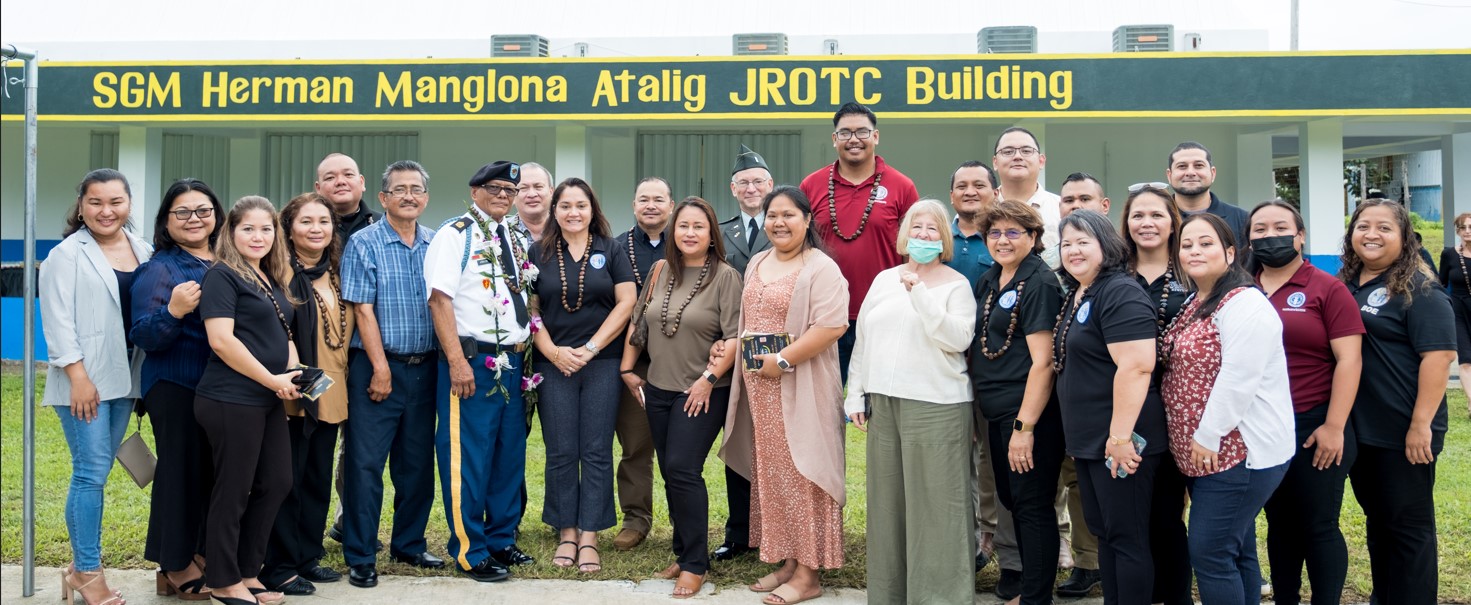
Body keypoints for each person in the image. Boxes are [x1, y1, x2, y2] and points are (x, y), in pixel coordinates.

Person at [845, 199, 977, 604]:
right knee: (888, 505)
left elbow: (957, 340)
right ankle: (889, 594)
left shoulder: (956, 285)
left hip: (937, 405)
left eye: (932, 230)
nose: (923, 235)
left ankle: (940, 596)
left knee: (937, 506)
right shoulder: (884, 280)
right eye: (916, 228)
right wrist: (856, 392)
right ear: (905, 234)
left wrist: (920, 294)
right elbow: (863, 340)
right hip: (884, 402)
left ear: (944, 239)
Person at [722, 186, 849, 605]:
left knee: (806, 472)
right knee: (775, 476)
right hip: (762, 390)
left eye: (789, 215)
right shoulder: (758, 260)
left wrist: (784, 360)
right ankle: (791, 561)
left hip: (802, 385)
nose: (779, 222)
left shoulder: (822, 267)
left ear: (808, 220)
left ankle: (810, 573)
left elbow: (831, 326)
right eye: (772, 215)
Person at [1161, 213, 1295, 604]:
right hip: (1204, 456)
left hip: (1236, 452)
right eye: (1187, 244)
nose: (1194, 251)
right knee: (1236, 550)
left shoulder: (1245, 304)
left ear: (1230, 252)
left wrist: (1206, 434)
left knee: (1211, 552)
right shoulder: (1197, 300)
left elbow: (1239, 378)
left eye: (1206, 243)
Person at [622, 197, 744, 598]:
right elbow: (638, 325)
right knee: (670, 471)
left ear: (712, 236)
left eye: (698, 227)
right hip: (658, 388)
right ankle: (683, 549)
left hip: (703, 391)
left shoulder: (725, 277)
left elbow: (734, 338)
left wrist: (708, 379)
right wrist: (627, 369)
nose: (689, 233)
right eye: (683, 226)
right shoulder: (660, 270)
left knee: (682, 468)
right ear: (673, 233)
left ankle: (695, 564)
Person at [41, 169, 151, 605]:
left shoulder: (143, 249)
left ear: (128, 204)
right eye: (96, 202)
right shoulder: (65, 255)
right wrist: (78, 378)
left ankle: (76, 569)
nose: (106, 211)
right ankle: (88, 571)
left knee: (96, 472)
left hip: (125, 377)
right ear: (81, 205)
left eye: (115, 202)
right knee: (90, 473)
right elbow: (56, 321)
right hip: (83, 381)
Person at [1247, 200, 1365, 605]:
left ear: (1301, 235)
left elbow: (1349, 360)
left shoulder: (1326, 288)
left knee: (1318, 524)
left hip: (1315, 423)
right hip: (1261, 426)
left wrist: (1334, 426)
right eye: (1259, 229)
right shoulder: (1242, 286)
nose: (1269, 235)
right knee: (1278, 523)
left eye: (1280, 227)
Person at [1338, 199, 1456, 603]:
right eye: (1363, 226)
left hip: (1404, 431)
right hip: (1364, 431)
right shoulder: (1351, 285)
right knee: (1379, 523)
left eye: (1384, 228)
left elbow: (1439, 357)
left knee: (1409, 530)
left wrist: (1420, 424)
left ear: (1404, 237)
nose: (1371, 234)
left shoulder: (1420, 289)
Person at [425, 160, 535, 582]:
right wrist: (456, 362)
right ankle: (470, 550)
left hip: (510, 361)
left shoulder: (511, 234)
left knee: (509, 455)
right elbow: (439, 301)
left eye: (511, 190)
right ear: (474, 191)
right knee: (467, 458)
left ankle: (501, 539)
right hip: (471, 362)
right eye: (495, 189)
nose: (503, 196)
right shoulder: (456, 235)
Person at [1052, 209, 1167, 605]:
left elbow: (1137, 366)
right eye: (1066, 243)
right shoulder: (1081, 292)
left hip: (1122, 439)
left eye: (1084, 241)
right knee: (1106, 534)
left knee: (1127, 537)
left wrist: (1119, 439)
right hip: (1090, 440)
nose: (1073, 250)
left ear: (1107, 244)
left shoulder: (1120, 290)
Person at [338, 160, 443, 589]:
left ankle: (409, 543)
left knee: (416, 463)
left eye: (416, 189)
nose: (408, 196)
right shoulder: (363, 243)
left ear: (426, 197)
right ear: (382, 198)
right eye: (399, 190)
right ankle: (361, 554)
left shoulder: (437, 243)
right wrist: (380, 367)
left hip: (425, 368)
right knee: (365, 463)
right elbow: (362, 308)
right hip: (377, 369)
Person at [195, 196, 300, 605]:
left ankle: (246, 571)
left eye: (266, 229)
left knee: (277, 481)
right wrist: (272, 379)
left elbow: (283, 333)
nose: (259, 236)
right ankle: (222, 579)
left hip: (267, 396)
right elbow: (222, 340)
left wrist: (293, 370)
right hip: (230, 398)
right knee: (234, 488)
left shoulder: (269, 276)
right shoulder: (222, 275)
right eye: (248, 229)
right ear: (230, 232)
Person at [529, 177, 637, 574]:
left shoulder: (612, 250)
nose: (573, 212)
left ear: (593, 209)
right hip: (552, 363)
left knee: (595, 450)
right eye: (565, 206)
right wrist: (554, 352)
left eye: (581, 205)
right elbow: (530, 308)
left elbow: (627, 302)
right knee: (560, 451)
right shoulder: (537, 251)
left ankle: (590, 535)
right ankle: (567, 532)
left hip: (602, 363)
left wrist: (590, 349)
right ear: (554, 211)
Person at [131, 178, 225, 602]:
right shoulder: (161, 268)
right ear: (166, 221)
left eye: (203, 210)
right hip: (176, 385)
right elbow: (145, 335)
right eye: (182, 212)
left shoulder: (226, 261)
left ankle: (201, 549)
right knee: (180, 473)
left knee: (211, 474)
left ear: (216, 216)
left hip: (220, 387)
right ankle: (173, 562)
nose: (194, 219)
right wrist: (173, 309)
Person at [967, 200, 1064, 605]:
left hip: (1028, 415)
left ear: (1034, 238)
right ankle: (1028, 588)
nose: (1002, 240)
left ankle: (1037, 596)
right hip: (996, 411)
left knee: (1032, 504)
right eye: (994, 233)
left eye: (1013, 232)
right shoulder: (992, 278)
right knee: (1013, 500)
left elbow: (1044, 362)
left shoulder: (1039, 282)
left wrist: (1024, 429)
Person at [259, 193, 356, 596]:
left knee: (317, 477)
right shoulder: (277, 274)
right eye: (306, 222)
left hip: (332, 388)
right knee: (289, 479)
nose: (316, 229)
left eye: (324, 222)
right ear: (288, 227)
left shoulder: (336, 270)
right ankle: (279, 563)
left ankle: (307, 556)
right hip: (292, 391)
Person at [799, 101, 919, 383]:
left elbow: (913, 251)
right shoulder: (811, 185)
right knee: (824, 399)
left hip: (884, 311)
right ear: (834, 139)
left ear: (875, 136)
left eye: (862, 132)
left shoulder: (902, 186)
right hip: (825, 314)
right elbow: (799, 247)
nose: (854, 139)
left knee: (882, 396)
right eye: (845, 133)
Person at [1119, 182, 1193, 605]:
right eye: (1138, 216)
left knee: (1167, 516)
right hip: (1127, 409)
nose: (1147, 223)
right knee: (1130, 519)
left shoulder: (1191, 270)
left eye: (1156, 215)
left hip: (1179, 410)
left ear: (1172, 223)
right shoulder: (1114, 274)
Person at [714, 145, 773, 561]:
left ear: (770, 186)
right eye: (744, 183)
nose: (751, 188)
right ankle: (738, 532)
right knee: (736, 439)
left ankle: (773, 529)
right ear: (733, 189)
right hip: (731, 346)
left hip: (776, 347)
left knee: (774, 443)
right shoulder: (722, 231)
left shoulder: (789, 224)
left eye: (758, 182)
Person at [610, 176, 674, 551]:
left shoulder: (687, 242)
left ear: (671, 205)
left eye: (658, 199)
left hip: (679, 362)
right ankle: (636, 518)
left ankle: (685, 521)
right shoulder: (617, 248)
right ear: (634, 206)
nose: (651, 205)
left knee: (681, 449)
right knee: (635, 445)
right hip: (633, 362)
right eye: (643, 199)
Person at [946, 160, 1004, 575]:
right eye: (962, 185)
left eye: (979, 184)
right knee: (956, 453)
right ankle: (965, 537)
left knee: (994, 454)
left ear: (995, 192)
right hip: (946, 363)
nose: (970, 191)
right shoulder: (936, 238)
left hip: (992, 363)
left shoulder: (1002, 238)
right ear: (952, 196)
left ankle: (993, 533)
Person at [992, 127, 1060, 268]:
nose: (1017, 156)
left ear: (1041, 161)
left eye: (1026, 151)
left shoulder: (1061, 209)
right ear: (995, 162)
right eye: (1008, 152)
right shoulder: (981, 210)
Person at [1165, 142, 1248, 246]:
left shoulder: (1242, 220)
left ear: (1212, 173)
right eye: (1182, 166)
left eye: (1199, 165)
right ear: (1169, 175)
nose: (1190, 172)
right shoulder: (1157, 220)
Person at [1441, 212, 1471, 409]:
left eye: (1470, 227)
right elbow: (1440, 283)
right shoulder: (1450, 254)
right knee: (1466, 359)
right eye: (1462, 228)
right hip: (1458, 310)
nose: (1467, 232)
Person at [316, 153, 381, 239]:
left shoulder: (383, 224)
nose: (340, 181)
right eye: (330, 177)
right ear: (318, 188)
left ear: (362, 182)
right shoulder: (308, 228)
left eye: (348, 174)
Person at [513, 162, 553, 242]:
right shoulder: (501, 231)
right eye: (524, 188)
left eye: (538, 187)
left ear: (551, 192)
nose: (532, 194)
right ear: (513, 195)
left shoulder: (565, 229)